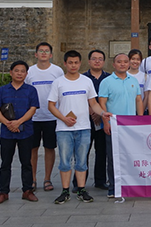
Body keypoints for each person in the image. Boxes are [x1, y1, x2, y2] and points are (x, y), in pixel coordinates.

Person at [48, 50, 112, 204]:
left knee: (81, 161)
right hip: (64, 129)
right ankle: (65, 191)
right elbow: (51, 105)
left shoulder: (86, 81)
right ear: (65, 64)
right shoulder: (58, 82)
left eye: (76, 62)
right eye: (70, 62)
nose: (73, 65)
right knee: (65, 161)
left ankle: (82, 190)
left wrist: (103, 113)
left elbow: (93, 103)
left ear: (80, 63)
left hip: (83, 128)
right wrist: (64, 119)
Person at [0, 60, 40, 205]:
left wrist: (18, 122)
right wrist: (8, 123)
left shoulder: (31, 90)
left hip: (26, 132)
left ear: (26, 74)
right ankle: (3, 192)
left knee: (26, 162)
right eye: (17, 71)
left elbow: (32, 109)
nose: (20, 73)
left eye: (23, 71)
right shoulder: (2, 90)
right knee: (5, 163)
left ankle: (27, 190)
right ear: (11, 72)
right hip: (7, 133)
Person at [98, 53, 144, 200]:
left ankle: (131, 184)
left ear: (129, 64)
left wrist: (140, 120)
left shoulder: (134, 81)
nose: (122, 64)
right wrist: (106, 122)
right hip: (114, 125)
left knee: (132, 156)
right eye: (119, 62)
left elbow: (138, 100)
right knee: (113, 157)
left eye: (125, 62)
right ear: (114, 64)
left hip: (131, 126)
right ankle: (113, 187)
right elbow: (102, 103)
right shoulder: (106, 82)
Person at [25, 42, 64, 192]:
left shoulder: (57, 71)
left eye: (46, 51)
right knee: (32, 148)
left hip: (51, 117)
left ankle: (47, 178)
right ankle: (33, 179)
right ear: (36, 54)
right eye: (41, 51)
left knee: (49, 148)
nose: (43, 53)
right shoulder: (30, 71)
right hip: (33, 117)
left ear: (51, 55)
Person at [75, 50, 110, 192]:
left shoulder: (109, 78)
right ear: (89, 61)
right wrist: (92, 110)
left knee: (102, 151)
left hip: (103, 119)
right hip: (85, 119)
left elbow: (109, 98)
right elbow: (79, 98)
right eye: (94, 59)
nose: (97, 61)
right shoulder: (81, 78)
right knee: (82, 151)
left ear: (104, 61)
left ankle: (100, 180)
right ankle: (78, 182)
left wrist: (101, 113)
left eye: (100, 59)